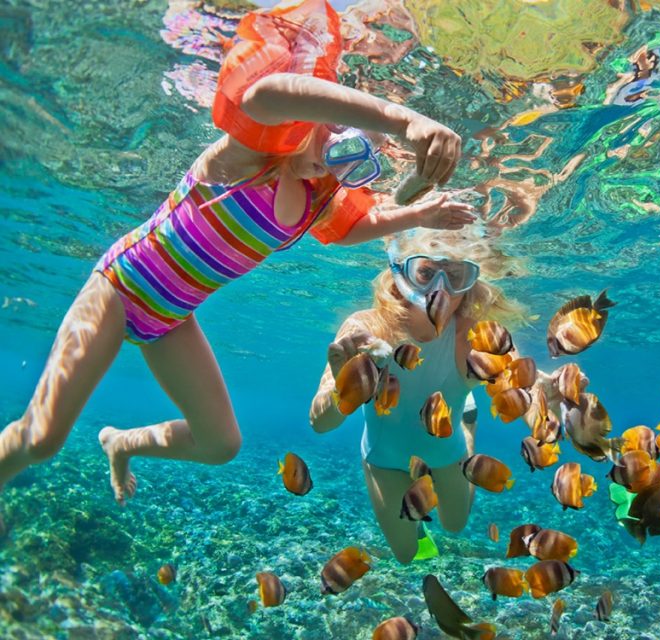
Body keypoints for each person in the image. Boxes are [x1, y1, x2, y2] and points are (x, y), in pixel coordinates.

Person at [0, 0, 476, 506]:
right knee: (43, 437)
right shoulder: (253, 153)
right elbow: (267, 93)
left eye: (356, 163)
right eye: (337, 137)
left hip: (171, 317)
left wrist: (419, 216)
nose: (334, 162)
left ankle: (121, 443)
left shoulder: (317, 197)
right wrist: (405, 122)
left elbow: (358, 226)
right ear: (321, 114)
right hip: (121, 288)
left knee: (221, 445)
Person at [308, 229, 523, 563]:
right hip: (384, 458)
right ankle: (418, 515)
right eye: (425, 272)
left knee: (455, 525)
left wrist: (548, 390)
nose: (439, 289)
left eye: (454, 276)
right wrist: (342, 387)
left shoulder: (474, 333)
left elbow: (521, 379)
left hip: (446, 449)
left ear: (470, 284)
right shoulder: (366, 328)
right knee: (407, 554)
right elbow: (319, 423)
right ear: (400, 271)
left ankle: (467, 426)